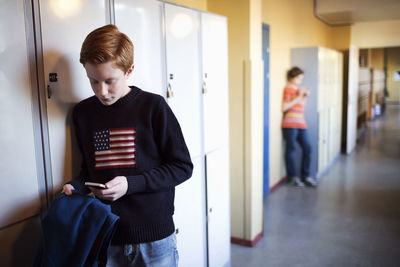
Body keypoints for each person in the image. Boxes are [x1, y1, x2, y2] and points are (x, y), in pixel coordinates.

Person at [62, 24, 193, 266]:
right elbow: (91, 170)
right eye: (93, 81)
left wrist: (130, 184)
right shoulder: (83, 113)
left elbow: (182, 166)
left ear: (129, 70)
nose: (102, 91)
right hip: (106, 237)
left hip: (154, 239)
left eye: (110, 81)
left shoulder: (153, 107)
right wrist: (76, 186)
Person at [281, 67, 317, 187]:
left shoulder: (299, 90)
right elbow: (285, 107)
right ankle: (292, 177)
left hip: (301, 123)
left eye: (302, 78)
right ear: (292, 78)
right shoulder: (288, 89)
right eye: (299, 78)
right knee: (290, 150)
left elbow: (301, 108)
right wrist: (298, 96)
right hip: (290, 124)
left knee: (308, 148)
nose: (301, 80)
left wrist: (304, 96)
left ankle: (305, 176)